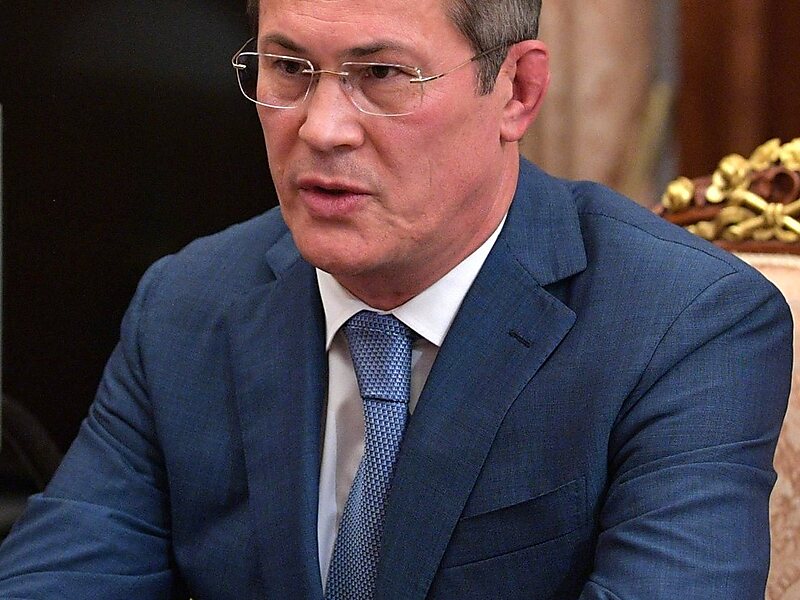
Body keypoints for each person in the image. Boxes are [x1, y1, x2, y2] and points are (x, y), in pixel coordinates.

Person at [0, 0, 793, 598]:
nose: (322, 129)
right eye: (288, 68)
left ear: (518, 90)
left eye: (381, 75)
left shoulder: (682, 322)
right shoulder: (188, 302)